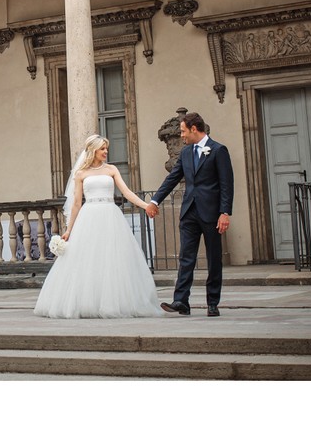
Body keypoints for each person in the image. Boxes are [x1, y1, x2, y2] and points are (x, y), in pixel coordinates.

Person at [34, 135, 162, 319]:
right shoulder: (81, 173)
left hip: (110, 215)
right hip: (89, 216)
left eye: (106, 148)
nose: (106, 152)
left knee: (112, 258)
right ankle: (87, 301)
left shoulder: (111, 169)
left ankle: (114, 302)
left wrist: (146, 205)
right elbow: (77, 203)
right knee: (87, 259)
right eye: (102, 148)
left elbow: (126, 192)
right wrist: (69, 229)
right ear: (93, 150)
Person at [146, 111, 233, 317]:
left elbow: (226, 185)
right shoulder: (185, 153)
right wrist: (154, 200)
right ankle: (181, 301)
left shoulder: (218, 150)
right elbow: (173, 178)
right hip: (189, 213)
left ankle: (213, 302)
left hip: (212, 213)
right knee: (186, 257)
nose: (182, 136)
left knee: (214, 258)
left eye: (184, 131)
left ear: (194, 129)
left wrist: (225, 212)